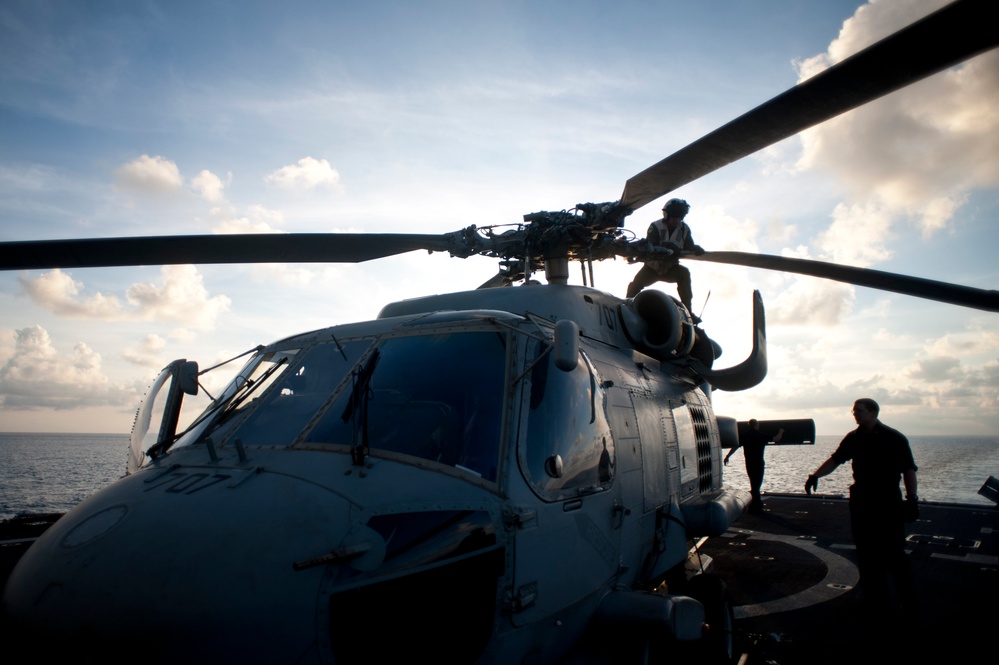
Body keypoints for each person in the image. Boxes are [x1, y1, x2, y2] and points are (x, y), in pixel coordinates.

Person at [805, 398, 919, 614]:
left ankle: (909, 603)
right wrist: (815, 475)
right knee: (867, 554)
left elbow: (908, 470)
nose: (855, 414)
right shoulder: (853, 438)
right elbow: (836, 460)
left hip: (887, 500)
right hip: (862, 499)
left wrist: (912, 498)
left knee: (894, 553)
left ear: (873, 412)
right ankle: (876, 603)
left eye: (859, 411)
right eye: (854, 411)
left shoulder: (894, 438)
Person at [626, 198, 705, 316]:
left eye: (679, 218)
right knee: (636, 284)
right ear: (667, 215)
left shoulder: (685, 229)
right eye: (674, 217)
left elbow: (688, 245)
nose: (676, 220)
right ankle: (627, 306)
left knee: (684, 273)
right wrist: (667, 246)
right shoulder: (655, 226)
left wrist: (695, 248)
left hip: (671, 269)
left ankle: (688, 312)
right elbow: (651, 244)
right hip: (652, 268)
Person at [725, 419, 784, 514]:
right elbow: (776, 439)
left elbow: (735, 446)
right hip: (759, 462)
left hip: (749, 462)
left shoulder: (744, 436)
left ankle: (756, 504)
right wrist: (781, 432)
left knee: (753, 482)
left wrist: (728, 456)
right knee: (757, 483)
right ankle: (756, 505)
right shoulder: (761, 435)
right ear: (756, 425)